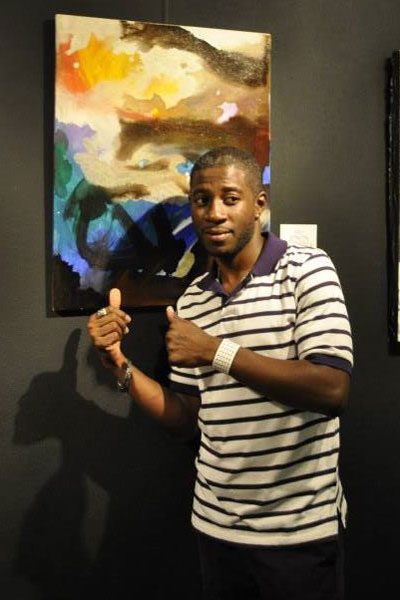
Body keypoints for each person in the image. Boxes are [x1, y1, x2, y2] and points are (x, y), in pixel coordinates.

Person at [87, 147, 353, 600]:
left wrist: (215, 351)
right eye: (201, 200)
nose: (214, 213)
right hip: (215, 530)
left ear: (259, 204)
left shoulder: (307, 270)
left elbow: (331, 389)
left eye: (230, 198)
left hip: (300, 534)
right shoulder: (193, 301)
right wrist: (120, 366)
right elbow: (186, 419)